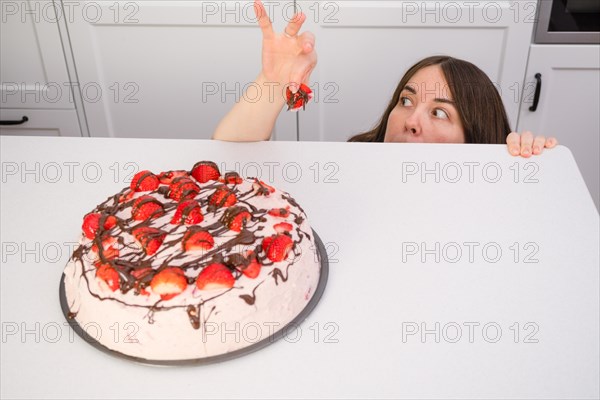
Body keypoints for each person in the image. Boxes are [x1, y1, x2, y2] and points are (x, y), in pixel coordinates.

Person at [213, 0, 557, 158]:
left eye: (439, 112)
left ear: (478, 140)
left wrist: (526, 166)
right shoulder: (354, 166)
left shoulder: (488, 205)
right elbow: (229, 154)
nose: (410, 121)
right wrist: (272, 84)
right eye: (405, 101)